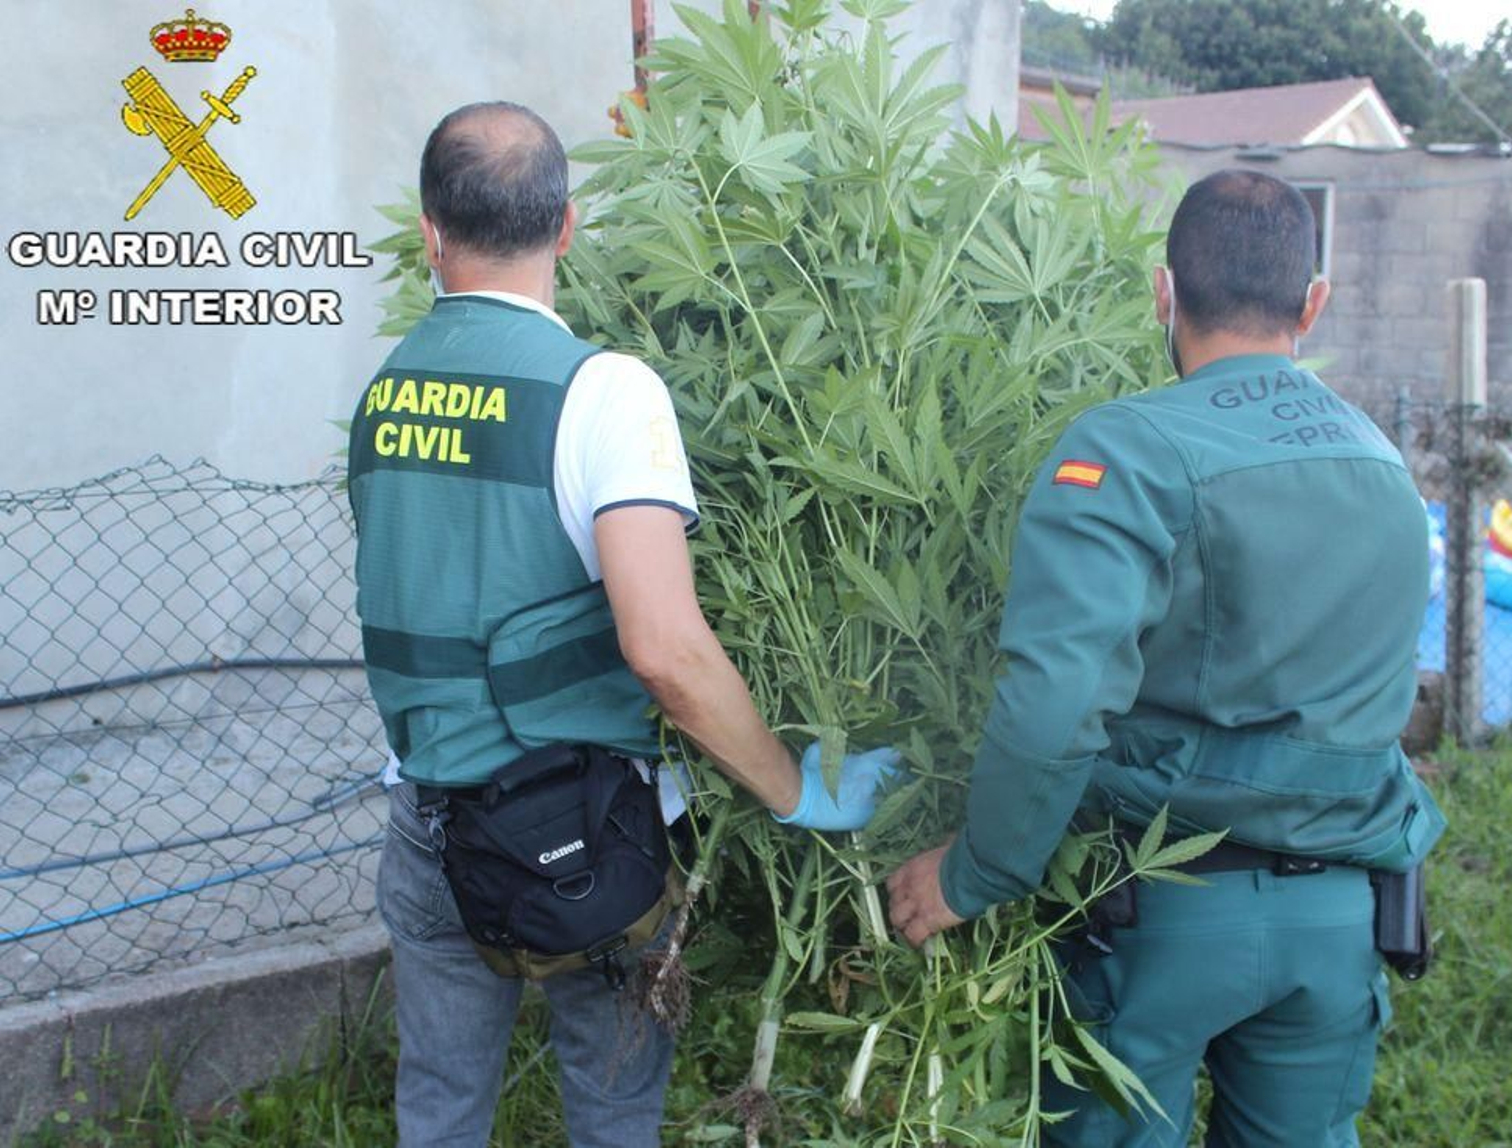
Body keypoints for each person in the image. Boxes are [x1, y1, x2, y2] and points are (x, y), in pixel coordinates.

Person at [348, 102, 897, 1148]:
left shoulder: (385, 393)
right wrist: (792, 786)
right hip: (585, 830)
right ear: (567, 226)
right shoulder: (601, 392)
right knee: (610, 1109)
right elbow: (666, 649)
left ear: (429, 231)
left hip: (428, 822)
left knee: (441, 1106)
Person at [886, 170, 1444, 1147]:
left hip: (1163, 910)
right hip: (1338, 916)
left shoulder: (1124, 448)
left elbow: (1053, 706)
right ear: (1312, 302)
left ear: (1163, 292)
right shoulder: (1384, 463)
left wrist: (976, 871)